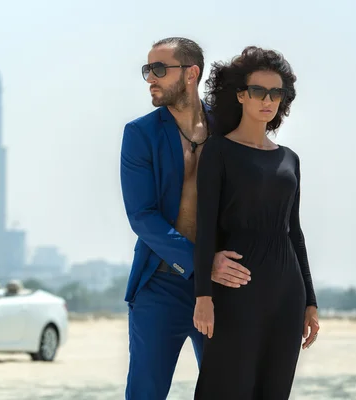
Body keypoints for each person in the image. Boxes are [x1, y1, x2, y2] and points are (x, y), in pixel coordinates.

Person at [120, 37, 252, 400]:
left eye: (159, 69)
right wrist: (201, 262)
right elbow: (142, 216)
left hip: (220, 287)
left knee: (226, 390)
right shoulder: (140, 134)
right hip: (161, 284)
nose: (151, 78)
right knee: (145, 392)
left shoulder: (227, 130)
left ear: (191, 73)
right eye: (148, 70)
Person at [192, 46, 320, 399]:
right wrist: (203, 295)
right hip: (237, 291)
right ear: (240, 95)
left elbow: (294, 232)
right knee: (224, 387)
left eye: (276, 93)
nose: (268, 100)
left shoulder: (289, 160)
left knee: (274, 391)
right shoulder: (218, 151)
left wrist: (310, 300)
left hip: (287, 293)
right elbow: (206, 227)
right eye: (259, 91)